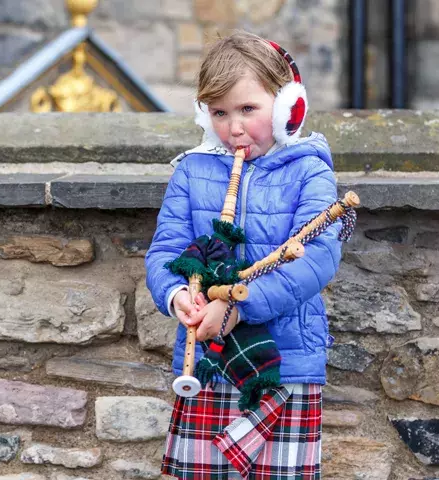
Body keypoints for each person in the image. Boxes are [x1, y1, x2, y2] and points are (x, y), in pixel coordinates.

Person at [145, 30, 342, 479]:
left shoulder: (310, 171)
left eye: (248, 109)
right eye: (219, 112)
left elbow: (315, 260)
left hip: (285, 367)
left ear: (288, 105)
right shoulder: (192, 171)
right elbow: (165, 251)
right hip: (208, 363)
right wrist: (179, 296)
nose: (234, 127)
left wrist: (237, 306)